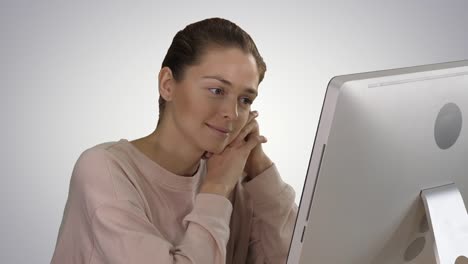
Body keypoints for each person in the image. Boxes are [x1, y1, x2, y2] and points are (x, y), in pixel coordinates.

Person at [51, 17, 297, 264]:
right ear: (167, 85)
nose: (232, 114)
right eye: (217, 90)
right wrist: (216, 189)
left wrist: (259, 168)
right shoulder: (104, 170)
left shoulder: (236, 181)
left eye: (245, 100)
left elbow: (298, 257)